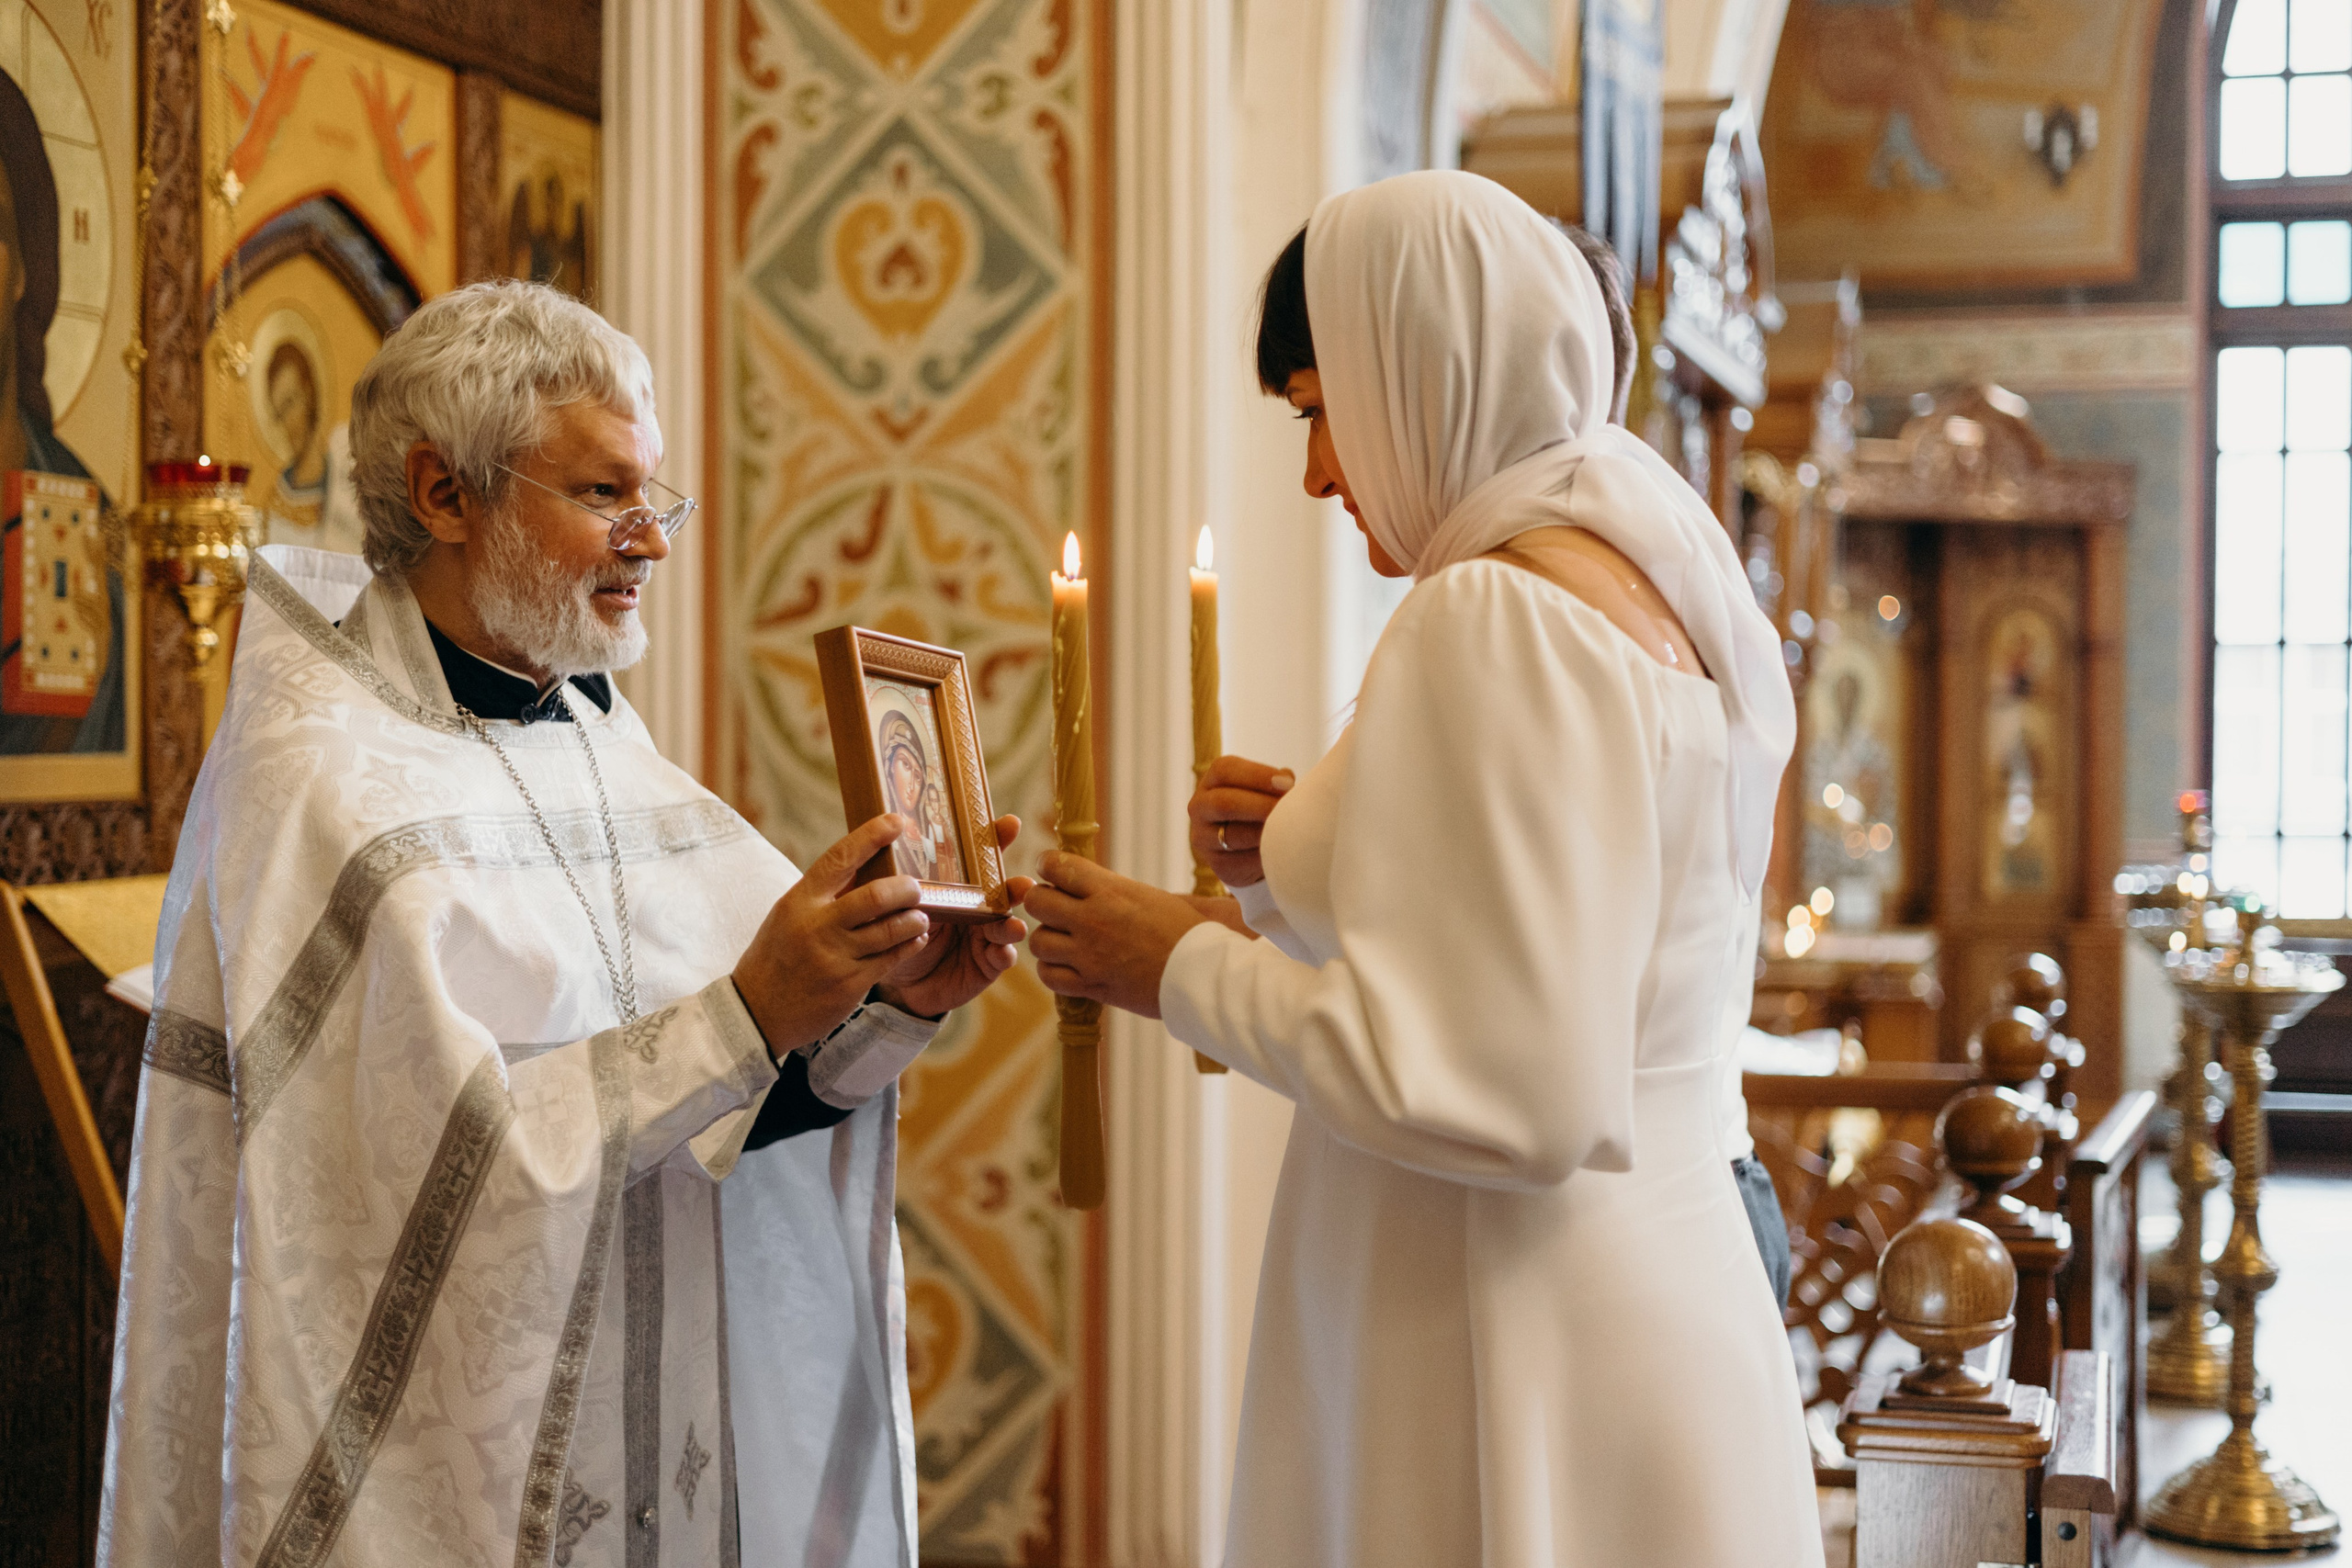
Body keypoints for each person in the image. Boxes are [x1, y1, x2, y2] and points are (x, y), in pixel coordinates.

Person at [100, 279, 1031, 1566]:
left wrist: (891, 1000)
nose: (649, 537)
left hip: (662, 1466)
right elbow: (410, 1193)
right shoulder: (321, 783)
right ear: (443, 495)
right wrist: (746, 1014)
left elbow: (725, 1115)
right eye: (602, 494)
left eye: (653, 496)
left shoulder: (604, 743)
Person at [1023, 171, 1821, 1566]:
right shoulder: (1645, 580)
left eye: (1322, 412)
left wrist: (1180, 963)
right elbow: (1551, 944)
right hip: (1656, 1280)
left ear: (1424, 366)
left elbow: (1508, 1088)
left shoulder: (1492, 615)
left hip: (1510, 1329)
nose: (1320, 474)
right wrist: (1290, 879)